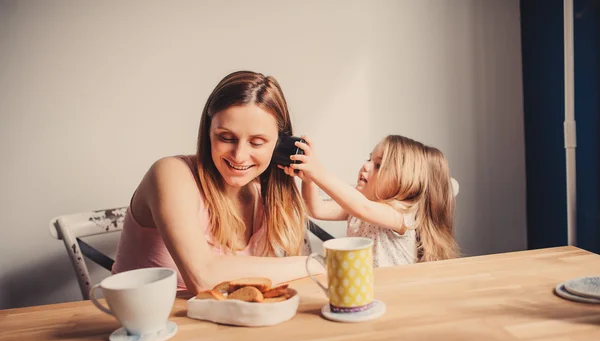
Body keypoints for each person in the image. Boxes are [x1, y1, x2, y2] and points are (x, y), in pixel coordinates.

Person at [112, 70, 319, 294]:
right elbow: (203, 277)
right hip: (137, 324)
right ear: (208, 132)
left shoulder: (263, 192)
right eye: (226, 138)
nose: (239, 155)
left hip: (212, 320)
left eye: (257, 142)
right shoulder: (170, 174)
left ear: (280, 145)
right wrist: (313, 265)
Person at [280, 134, 459, 267]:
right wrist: (309, 179)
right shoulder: (358, 209)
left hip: (396, 294)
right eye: (369, 159)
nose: (365, 166)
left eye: (378, 165)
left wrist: (317, 171)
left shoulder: (400, 215)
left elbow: (363, 208)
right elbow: (316, 209)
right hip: (366, 290)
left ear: (404, 180)